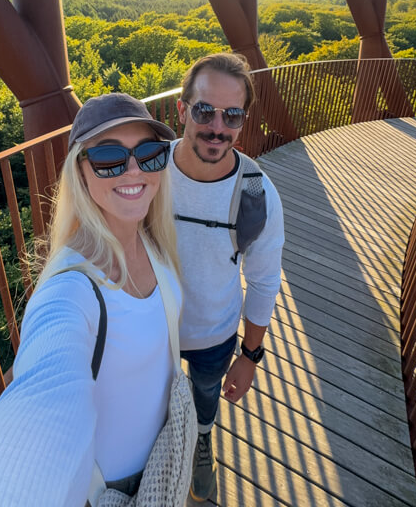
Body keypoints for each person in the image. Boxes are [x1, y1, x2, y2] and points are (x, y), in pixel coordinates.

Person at [0, 92, 186, 506]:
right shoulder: (69, 290)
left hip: (169, 446)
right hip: (116, 489)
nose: (135, 169)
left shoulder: (152, 238)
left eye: (150, 152)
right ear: (80, 172)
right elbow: (42, 399)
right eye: (108, 157)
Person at [169, 52, 285, 502]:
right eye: (204, 110)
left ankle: (201, 443)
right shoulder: (145, 171)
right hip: (147, 328)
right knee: (147, 408)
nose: (217, 127)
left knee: (204, 400)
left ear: (243, 121)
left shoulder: (257, 192)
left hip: (213, 334)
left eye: (231, 115)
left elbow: (263, 280)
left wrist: (249, 355)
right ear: (182, 110)